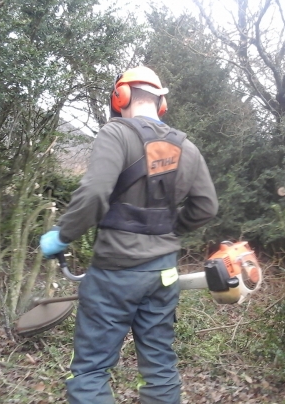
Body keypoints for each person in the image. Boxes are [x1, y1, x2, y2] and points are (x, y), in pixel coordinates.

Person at [39, 66, 218, 404]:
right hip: (163, 273)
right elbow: (206, 206)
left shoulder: (116, 133)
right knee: (160, 365)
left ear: (119, 97)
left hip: (115, 272)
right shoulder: (187, 147)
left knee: (91, 370)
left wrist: (62, 236)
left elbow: (93, 194)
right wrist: (167, 231)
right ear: (160, 103)